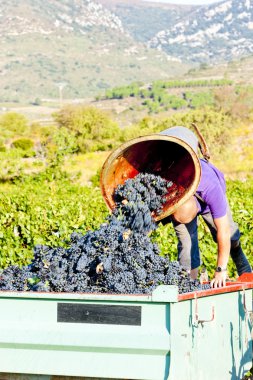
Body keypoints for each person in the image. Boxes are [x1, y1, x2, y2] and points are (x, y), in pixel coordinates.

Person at [170, 157, 252, 288]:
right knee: (186, 244)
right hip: (182, 198)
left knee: (231, 237)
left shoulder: (211, 187)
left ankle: (238, 255)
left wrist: (221, 269)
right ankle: (189, 283)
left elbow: (223, 230)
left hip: (209, 193)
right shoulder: (172, 193)